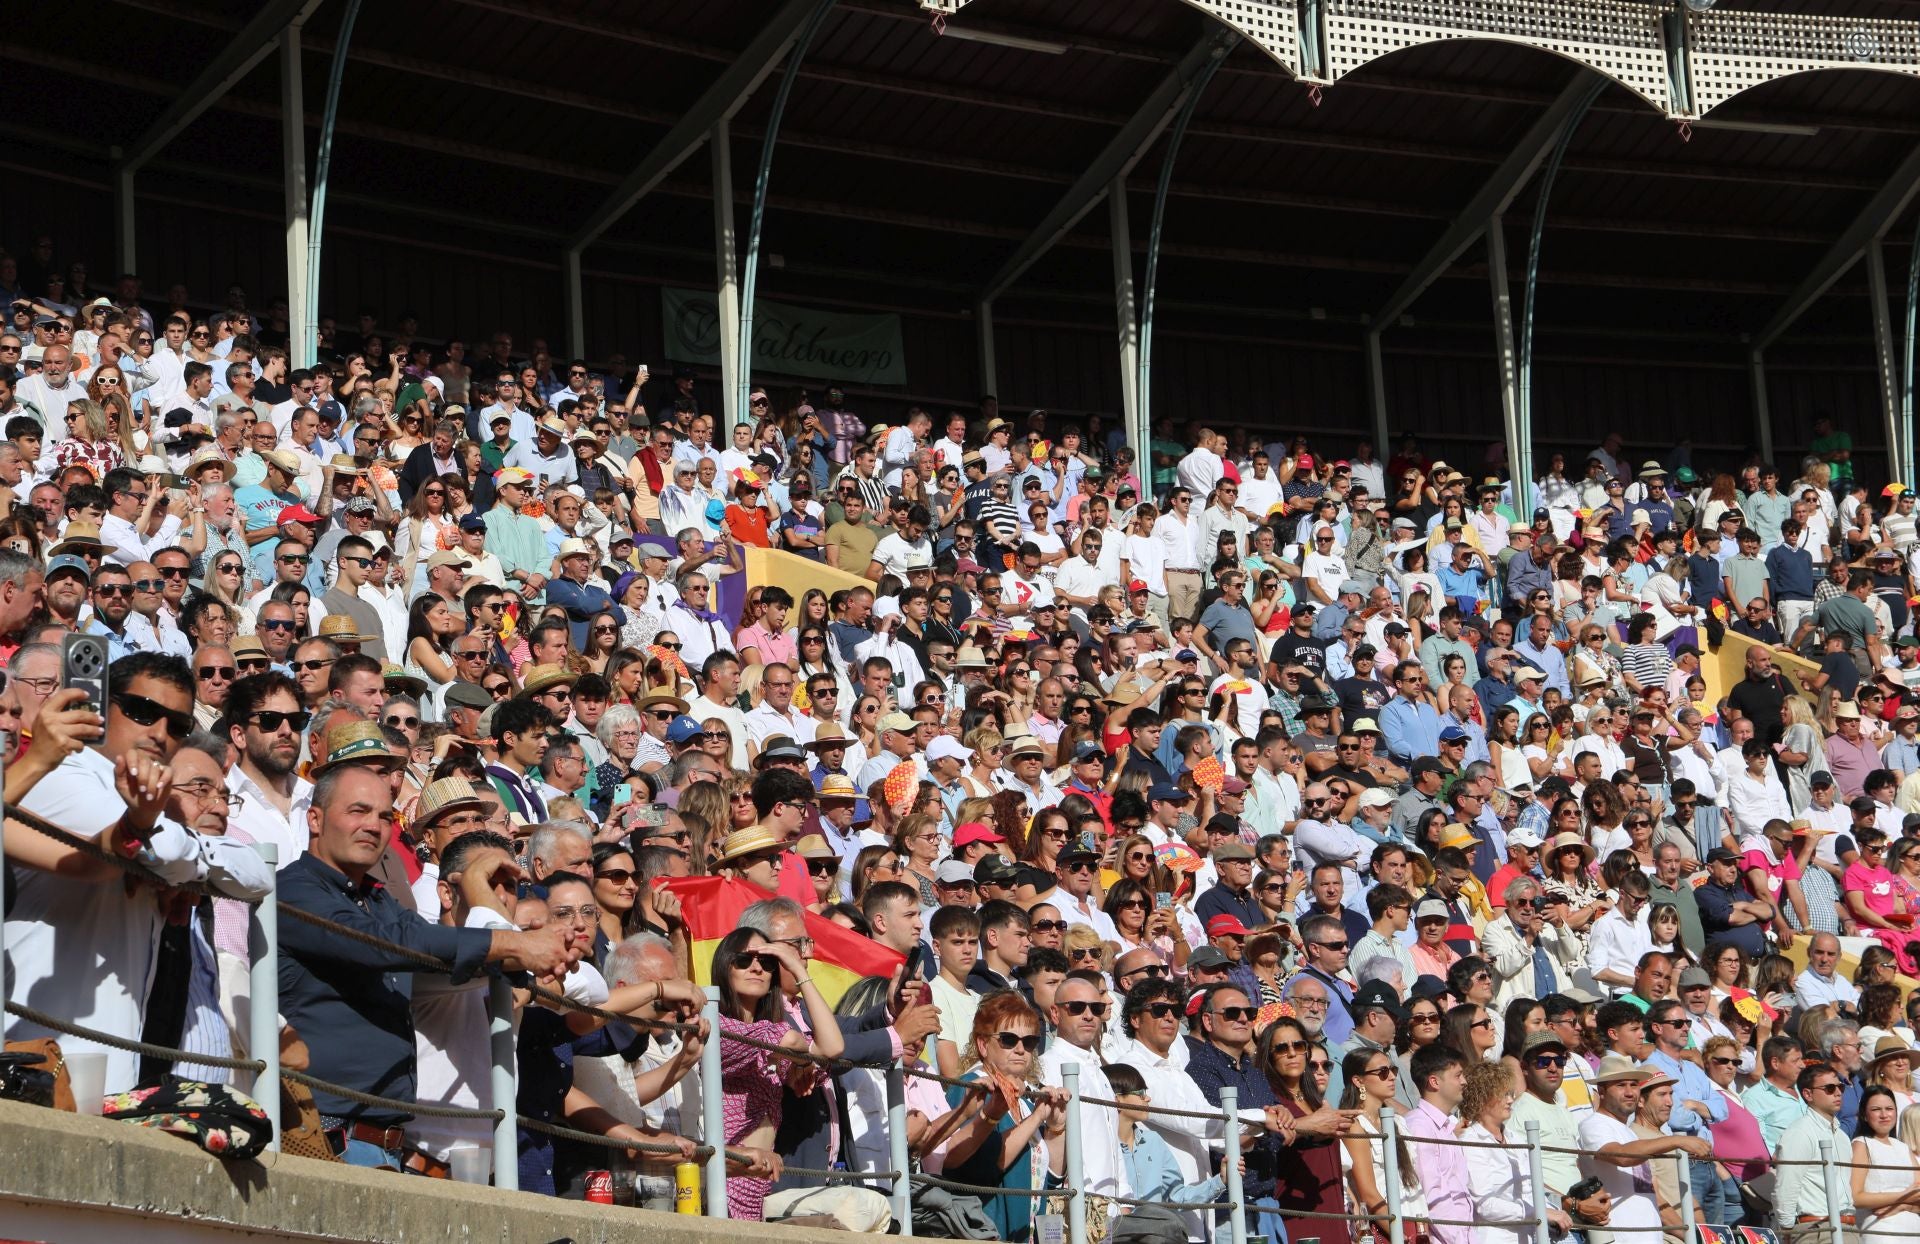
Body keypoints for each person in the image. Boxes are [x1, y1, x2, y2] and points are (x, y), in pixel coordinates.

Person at [944, 990, 1069, 1243]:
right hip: (986, 1232)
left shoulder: (1025, 1099)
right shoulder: (972, 1088)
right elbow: (982, 1168)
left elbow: (1050, 1181)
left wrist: (1056, 1128)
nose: (1021, 1049)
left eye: (1030, 1042)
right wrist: (1035, 1119)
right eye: (1008, 1039)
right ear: (982, 1044)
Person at [1577, 1056, 1711, 1243]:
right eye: (1621, 1085)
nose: (1630, 1092)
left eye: (1634, 1084)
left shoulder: (1628, 1133)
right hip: (1621, 1237)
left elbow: (1650, 1188)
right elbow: (1621, 1156)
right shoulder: (1594, 1124)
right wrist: (1676, 1140)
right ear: (1601, 1091)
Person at [1462, 1059, 1569, 1244]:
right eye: (1503, 1094)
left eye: (1510, 1093)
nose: (1510, 1100)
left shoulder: (1516, 1138)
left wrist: (1554, 1211)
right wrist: (1538, 1213)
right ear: (1482, 1097)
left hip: (1531, 1236)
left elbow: (1530, 1190)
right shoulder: (1470, 1142)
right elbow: (1485, 1205)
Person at [1774, 1062, 1859, 1244]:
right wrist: (1788, 1232)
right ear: (1807, 1094)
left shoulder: (1842, 1136)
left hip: (1848, 1228)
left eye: (1840, 1087)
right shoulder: (1799, 1132)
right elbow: (1786, 1186)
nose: (1837, 1092)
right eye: (1829, 1088)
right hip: (1816, 1230)